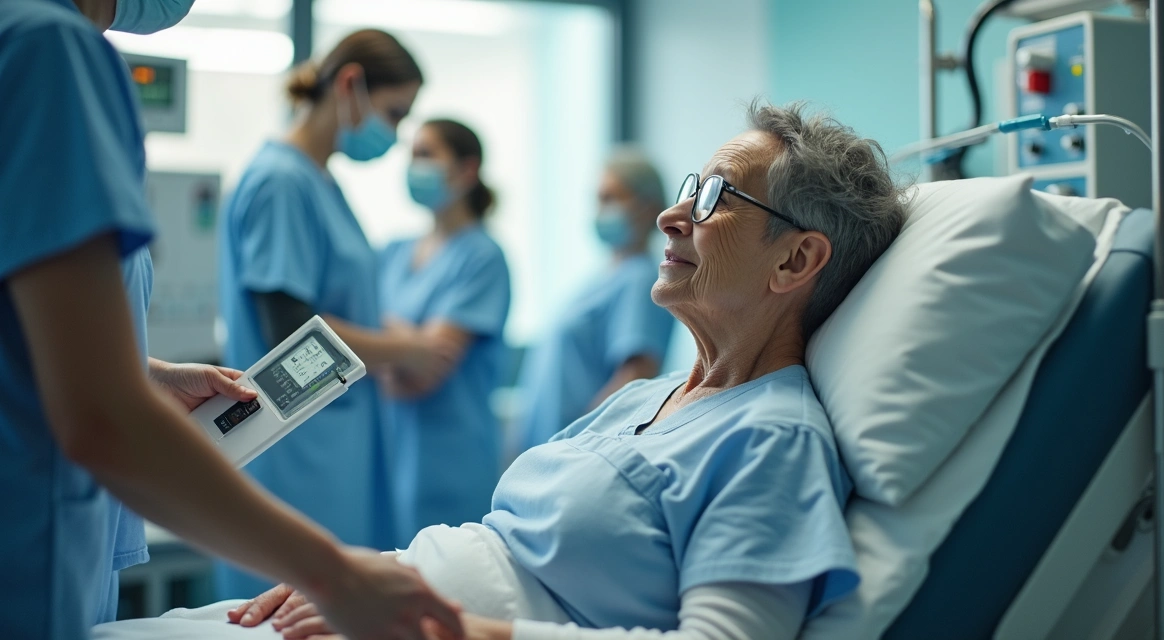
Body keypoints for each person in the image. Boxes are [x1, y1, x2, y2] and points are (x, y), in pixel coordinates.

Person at [192, 101, 908, 640]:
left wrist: (442, 621)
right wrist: (361, 579)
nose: (670, 214)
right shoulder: (648, 399)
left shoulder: (770, 438)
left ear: (795, 261)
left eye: (717, 197)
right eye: (692, 186)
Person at [0, 1, 461, 639]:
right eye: (395, 115)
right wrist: (336, 577)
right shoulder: (48, 49)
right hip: (37, 515)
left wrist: (144, 372)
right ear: (350, 84)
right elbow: (106, 413)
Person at [215, 29, 465, 599]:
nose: (395, 134)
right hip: (299, 452)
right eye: (394, 113)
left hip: (335, 443)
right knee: (289, 609)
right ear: (350, 84)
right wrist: (407, 350)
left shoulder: (319, 181)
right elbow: (294, 335)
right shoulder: (281, 182)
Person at [380, 119, 511, 540]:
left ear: (466, 170)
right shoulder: (393, 252)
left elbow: (423, 373)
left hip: (448, 462)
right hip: (389, 454)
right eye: (412, 154)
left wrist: (373, 344)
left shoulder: (482, 258)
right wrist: (404, 346)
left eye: (426, 153)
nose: (413, 164)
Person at [513, 148, 674, 453]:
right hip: (550, 450)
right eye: (598, 199)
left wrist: (579, 445)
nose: (601, 210)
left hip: (576, 453)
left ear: (647, 206)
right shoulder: (600, 280)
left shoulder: (640, 279)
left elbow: (635, 377)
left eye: (611, 198)